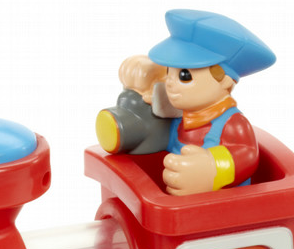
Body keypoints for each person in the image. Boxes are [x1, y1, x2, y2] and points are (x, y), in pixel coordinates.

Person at [97, 10, 275, 195]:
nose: (169, 83)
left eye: (184, 76)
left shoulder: (232, 124)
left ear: (224, 81)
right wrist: (138, 99)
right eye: (168, 72)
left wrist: (212, 169)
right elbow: (154, 140)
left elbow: (246, 155)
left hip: (223, 204)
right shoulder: (178, 119)